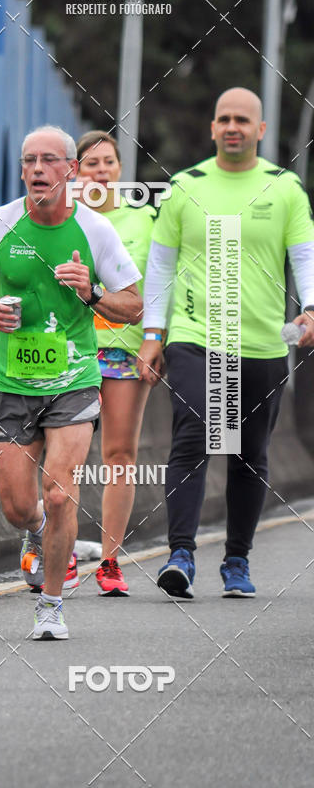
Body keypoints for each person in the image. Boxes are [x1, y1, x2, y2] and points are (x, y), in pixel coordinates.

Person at [0, 125, 142, 639]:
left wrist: (93, 293)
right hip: (10, 381)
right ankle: (36, 531)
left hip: (74, 379)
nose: (37, 169)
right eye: (29, 161)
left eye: (48, 160)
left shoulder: (95, 230)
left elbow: (133, 305)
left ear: (70, 170)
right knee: (19, 507)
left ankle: (52, 606)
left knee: (59, 494)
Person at [139, 87, 314, 599]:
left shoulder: (284, 188)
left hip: (262, 343)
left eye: (242, 119)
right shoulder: (184, 186)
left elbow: (304, 256)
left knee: (248, 454)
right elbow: (160, 267)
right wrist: (153, 334)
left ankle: (236, 560)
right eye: (224, 119)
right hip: (195, 338)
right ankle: (181, 555)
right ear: (213, 128)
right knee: (193, 435)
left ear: (260, 130)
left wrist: (310, 307)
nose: (233, 127)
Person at [76, 131, 156, 596]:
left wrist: (155, 340)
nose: (101, 171)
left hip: (125, 350)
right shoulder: (62, 219)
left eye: (108, 162)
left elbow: (159, 285)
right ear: (76, 172)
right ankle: (55, 552)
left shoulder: (144, 219)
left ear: (120, 169)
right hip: (72, 349)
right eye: (91, 164)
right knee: (62, 456)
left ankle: (109, 562)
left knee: (120, 456)